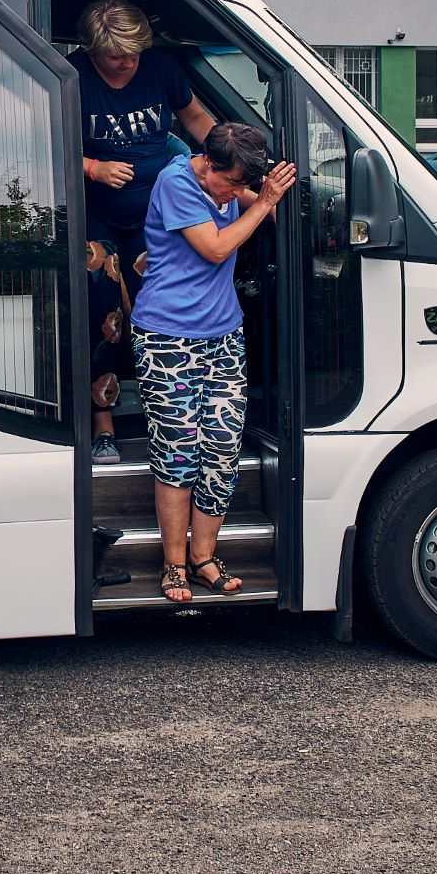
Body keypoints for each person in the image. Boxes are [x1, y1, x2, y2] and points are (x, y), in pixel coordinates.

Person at [134, 122, 295, 603]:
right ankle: (173, 565)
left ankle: (204, 558)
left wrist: (270, 193)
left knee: (221, 455)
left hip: (223, 335)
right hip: (167, 339)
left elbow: (256, 208)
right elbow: (216, 247)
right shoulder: (177, 181)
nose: (235, 192)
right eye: (231, 183)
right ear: (208, 165)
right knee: (179, 453)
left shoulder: (227, 183)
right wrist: (264, 202)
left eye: (242, 185)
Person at [73, 0, 215, 464]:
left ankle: (168, 422)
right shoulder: (71, 78)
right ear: (94, 51)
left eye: (135, 52)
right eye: (117, 55)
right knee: (103, 313)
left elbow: (196, 119)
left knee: (161, 313)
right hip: (98, 216)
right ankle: (104, 428)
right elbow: (42, 144)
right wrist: (93, 167)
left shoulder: (161, 69)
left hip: (157, 213)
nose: (129, 62)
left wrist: (227, 159)